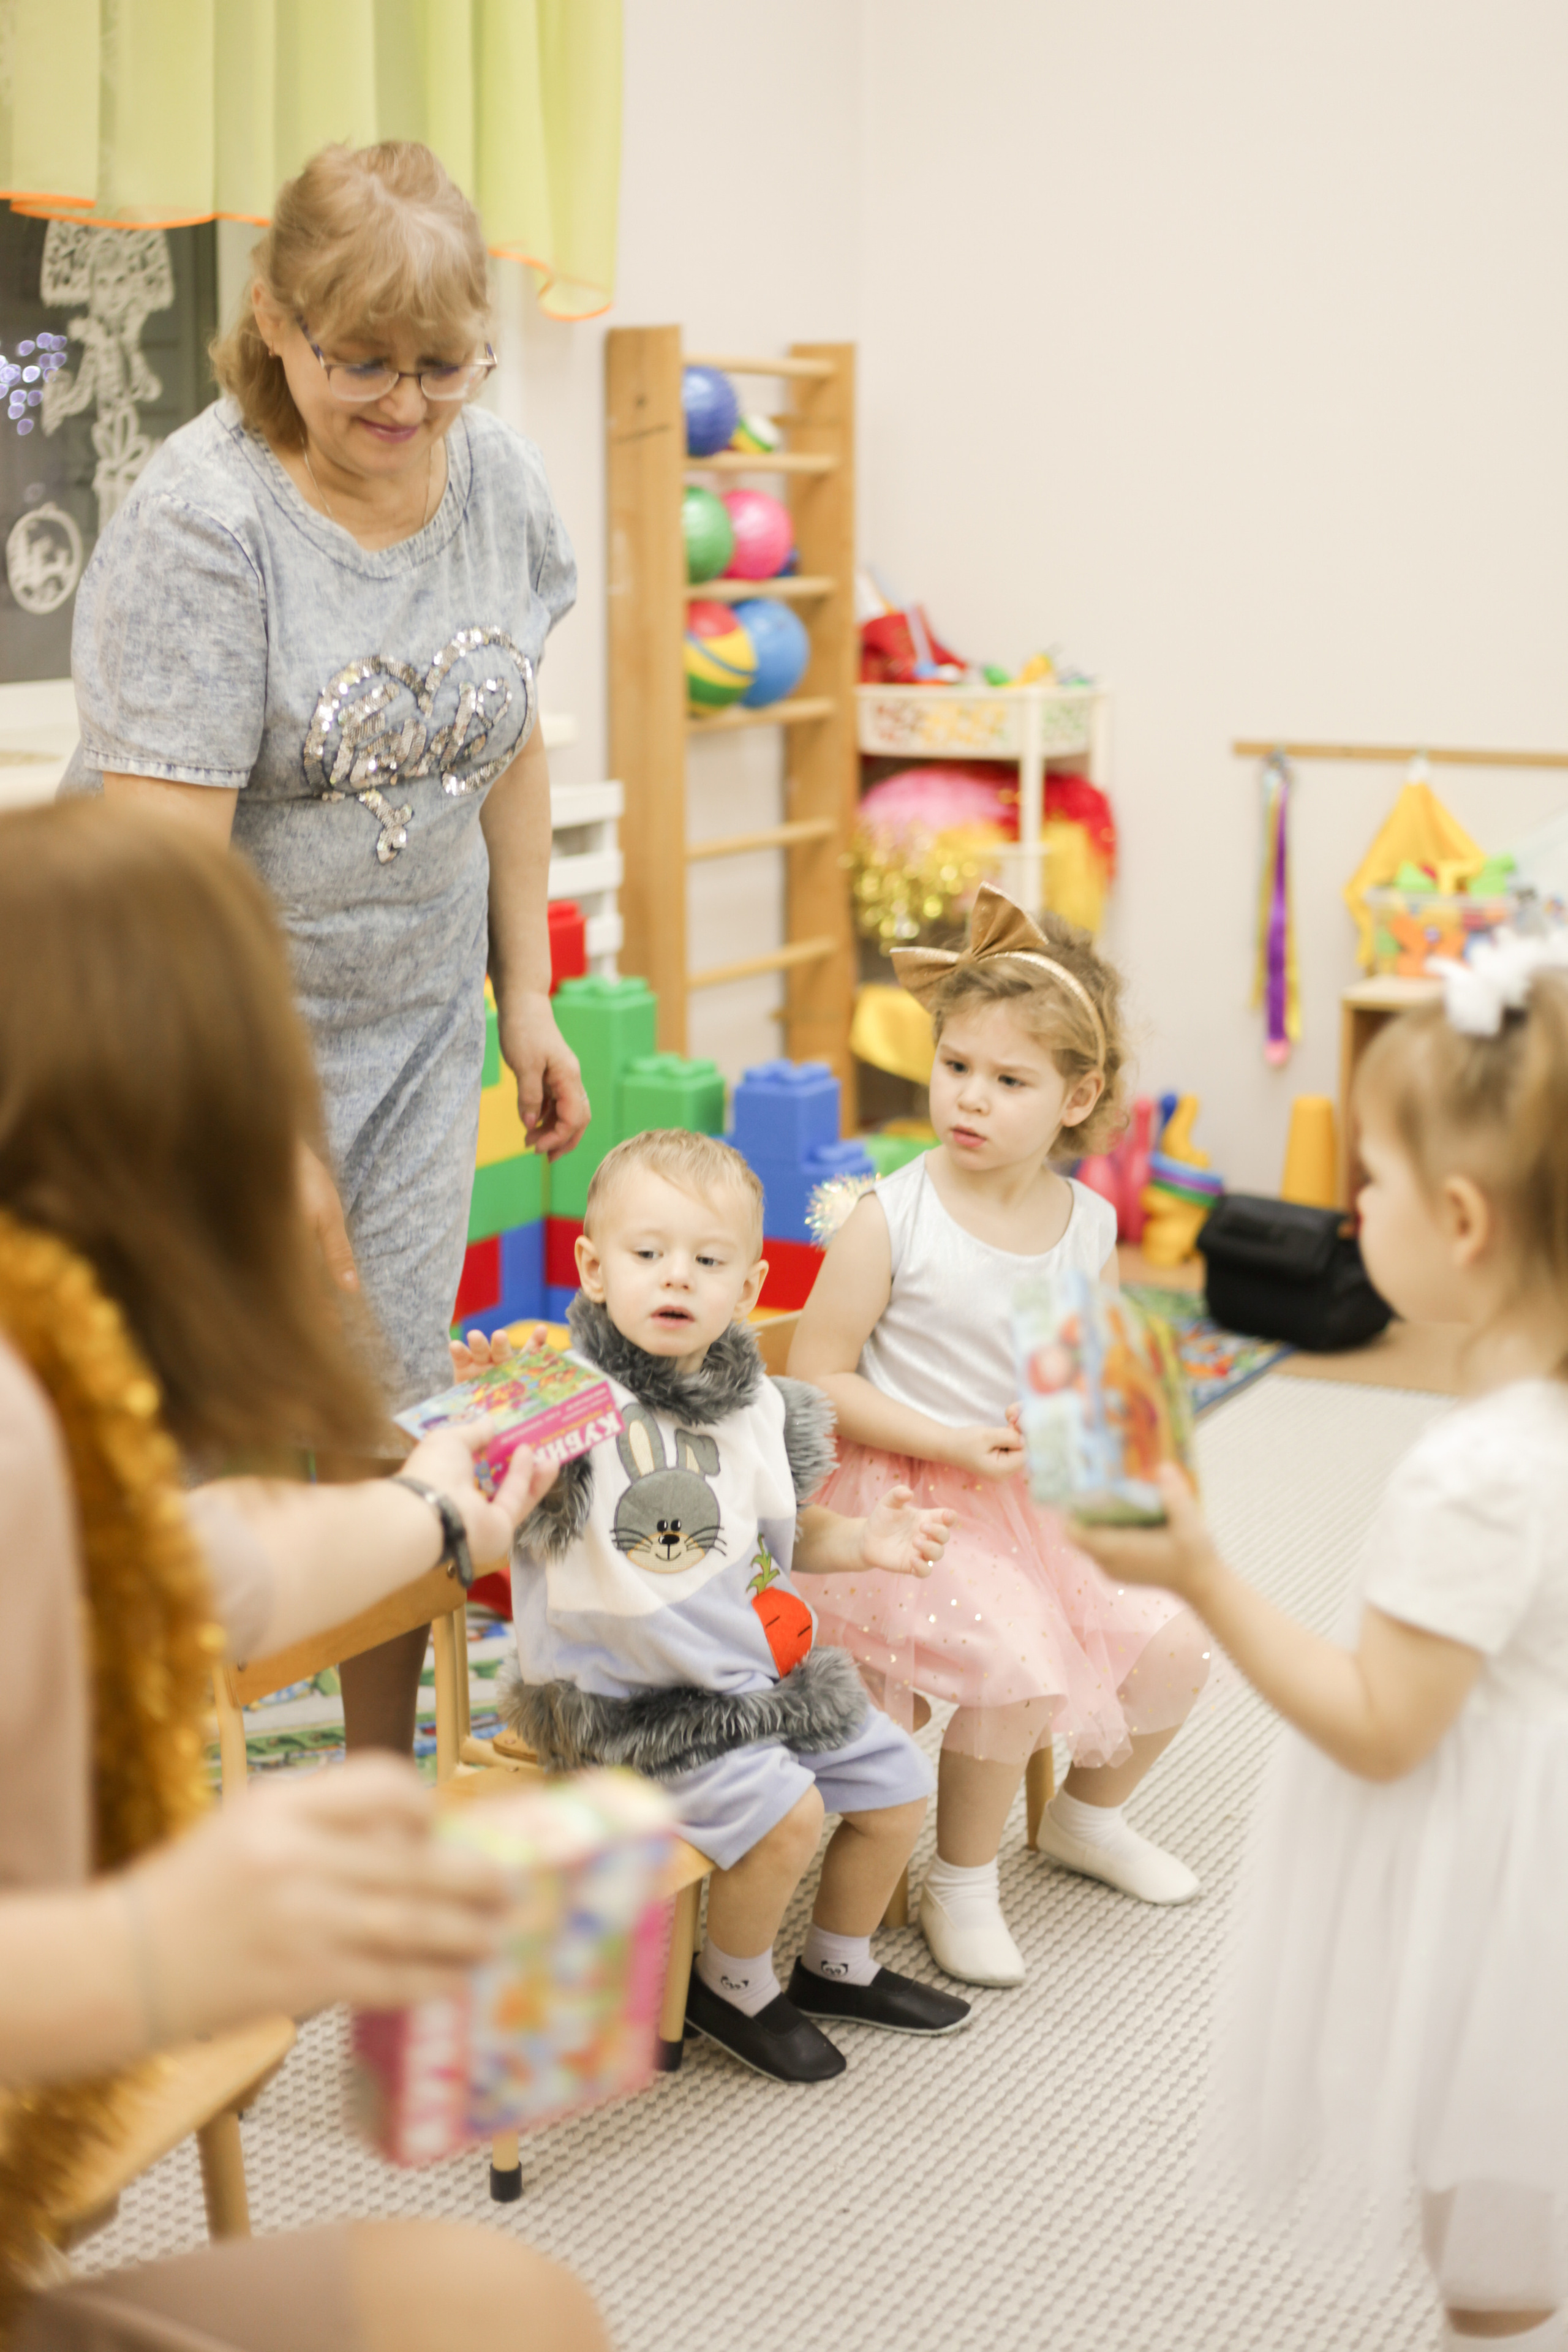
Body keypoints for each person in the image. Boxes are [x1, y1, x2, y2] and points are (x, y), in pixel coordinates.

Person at [0, 802, 604, 2352]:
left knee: (500, 2307)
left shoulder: (58, 1396)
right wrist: (163, 1951)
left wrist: (440, 1509)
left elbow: (209, 1565)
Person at [63, 139, 589, 1759]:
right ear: (276, 322)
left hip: (419, 1026)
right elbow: (169, 896)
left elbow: (506, 735)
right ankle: (172, 1819)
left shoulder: (495, 474)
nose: (408, 405)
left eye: (444, 366)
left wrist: (529, 992)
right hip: (199, 1047)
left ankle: (378, 1795)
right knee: (202, 1425)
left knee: (392, 1417)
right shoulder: (205, 526)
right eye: (365, 361)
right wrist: (272, 1133)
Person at [1075, 935, 1568, 2349]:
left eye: (1370, 1180)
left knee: (1485, 2232)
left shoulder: (1472, 1471)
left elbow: (1379, 1723)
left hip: (1505, 1883)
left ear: (1461, 1219)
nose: (1348, 1208)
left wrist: (1202, 1575)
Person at [459, 1129, 971, 2084]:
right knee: (788, 1814)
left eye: (707, 1260)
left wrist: (867, 1543)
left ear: (748, 1289)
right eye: (647, 1254)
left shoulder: (758, 1409)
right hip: (623, 1708)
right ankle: (730, 1985)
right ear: (594, 1267)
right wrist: (486, 1421)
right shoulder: (563, 1402)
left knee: (897, 1783)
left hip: (745, 1679)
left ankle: (836, 1964)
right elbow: (488, 1507)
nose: (675, 1278)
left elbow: (779, 1537)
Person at [788, 886, 1211, 1988]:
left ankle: (1082, 1817)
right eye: (955, 1066)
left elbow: (1098, 1380)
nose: (969, 1098)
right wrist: (950, 1438)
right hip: (900, 1505)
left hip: (1027, 1496)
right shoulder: (898, 1214)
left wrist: (1085, 1442)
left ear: (1079, 1096)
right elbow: (816, 1374)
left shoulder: (1090, 1225)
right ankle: (959, 1881)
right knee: (1019, 1655)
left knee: (1173, 1641)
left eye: (1008, 1081)